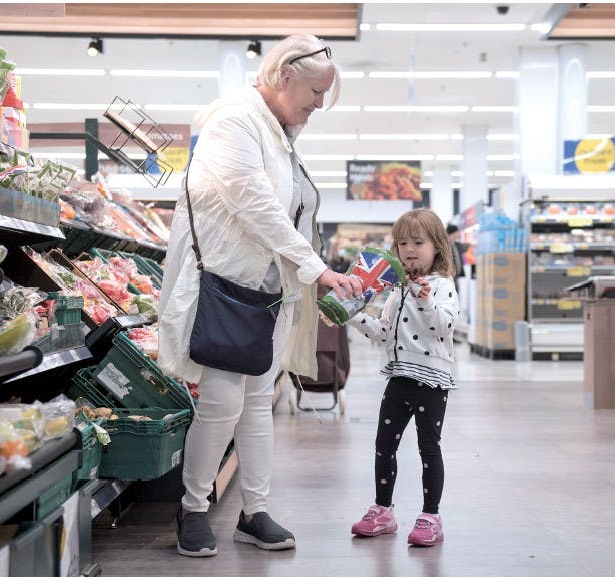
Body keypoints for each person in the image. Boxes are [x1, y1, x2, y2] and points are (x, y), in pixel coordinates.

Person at [157, 34, 362, 558]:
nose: (317, 105)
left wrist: (310, 271)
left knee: (256, 404)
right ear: (283, 77)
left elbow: (291, 209)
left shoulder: (279, 131)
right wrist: (316, 269)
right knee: (223, 402)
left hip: (268, 292)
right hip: (226, 287)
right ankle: (194, 508)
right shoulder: (234, 121)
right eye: (314, 92)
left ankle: (255, 511)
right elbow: (256, 204)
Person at [348, 208, 460, 547]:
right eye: (402, 243)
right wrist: (352, 314)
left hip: (431, 381)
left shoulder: (442, 286)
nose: (409, 249)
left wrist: (423, 301)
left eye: (418, 241)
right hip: (398, 377)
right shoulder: (396, 290)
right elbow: (384, 333)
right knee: (384, 446)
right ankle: (383, 510)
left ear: (437, 246)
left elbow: (443, 326)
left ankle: (431, 516)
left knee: (429, 448)